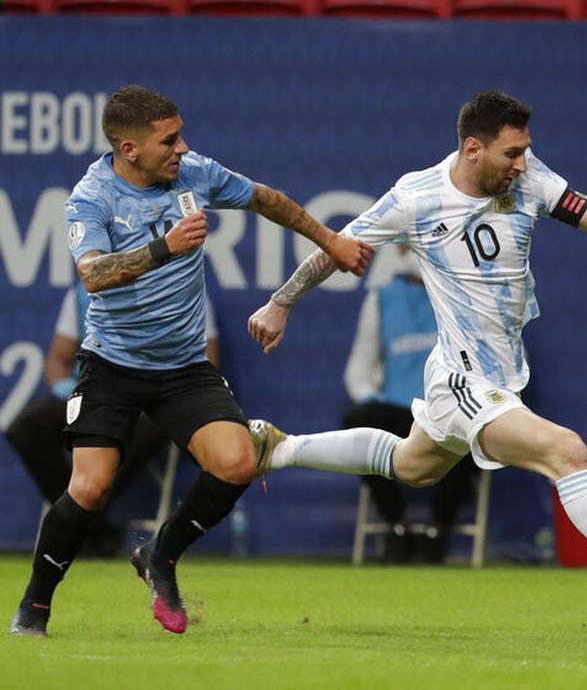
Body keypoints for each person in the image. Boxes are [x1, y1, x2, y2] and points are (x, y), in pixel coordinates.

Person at [247, 90, 587, 619]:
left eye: (525, 151)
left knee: (413, 465)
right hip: (460, 378)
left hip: (500, 377)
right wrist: (279, 303)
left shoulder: (531, 179)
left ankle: (280, 449)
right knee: (566, 452)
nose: (523, 164)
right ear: (473, 148)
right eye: (511, 153)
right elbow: (335, 248)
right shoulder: (416, 197)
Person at [9, 84, 374, 637]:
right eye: (169, 140)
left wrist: (331, 240)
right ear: (129, 149)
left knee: (236, 462)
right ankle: (35, 603)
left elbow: (265, 198)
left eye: (180, 136)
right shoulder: (91, 198)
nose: (182, 149)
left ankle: (161, 554)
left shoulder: (194, 173)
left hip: (182, 368)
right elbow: (94, 275)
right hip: (111, 366)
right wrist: (166, 247)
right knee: (88, 488)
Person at [4, 284, 221, 556]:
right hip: (95, 395)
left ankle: (79, 525)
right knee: (27, 427)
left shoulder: (189, 291)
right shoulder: (82, 294)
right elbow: (57, 361)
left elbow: (207, 361)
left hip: (154, 403)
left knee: (146, 430)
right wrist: (73, 393)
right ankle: (96, 530)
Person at [343, 246, 478, 564]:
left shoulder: (467, 296)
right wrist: (369, 397)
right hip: (399, 410)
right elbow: (358, 371)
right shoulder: (381, 298)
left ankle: (438, 529)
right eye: (405, 244)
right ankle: (397, 526)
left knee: (478, 429)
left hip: (453, 410)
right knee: (360, 421)